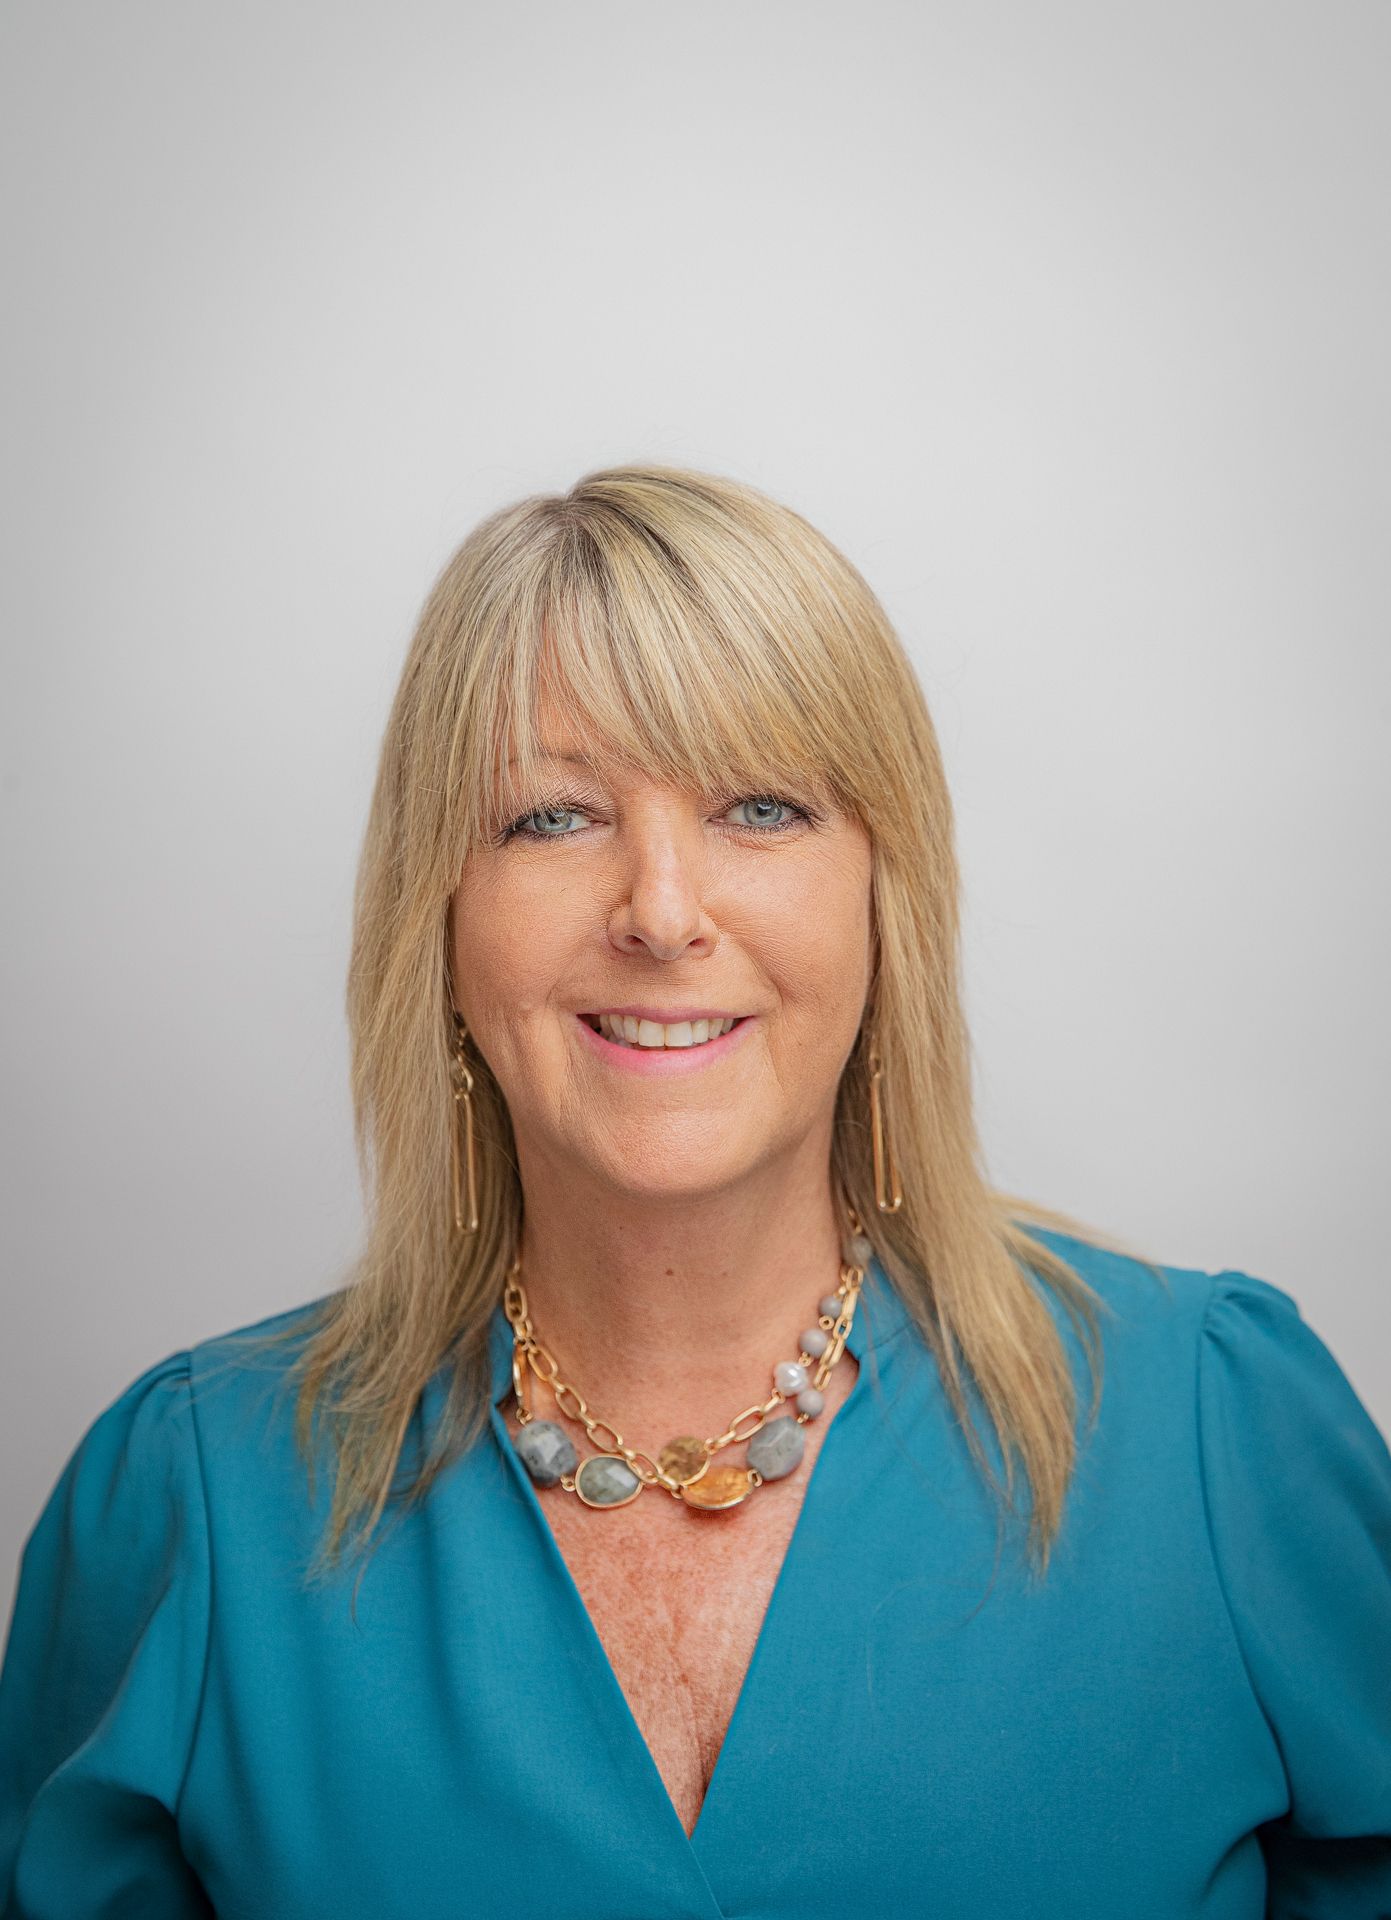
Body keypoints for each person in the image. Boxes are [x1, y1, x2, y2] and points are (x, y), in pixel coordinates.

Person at [0, 464, 1388, 1919]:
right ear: (440, 918)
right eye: (552, 816)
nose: (662, 912)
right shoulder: (193, 1498)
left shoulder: (1218, 1428)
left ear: (882, 898)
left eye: (762, 807)